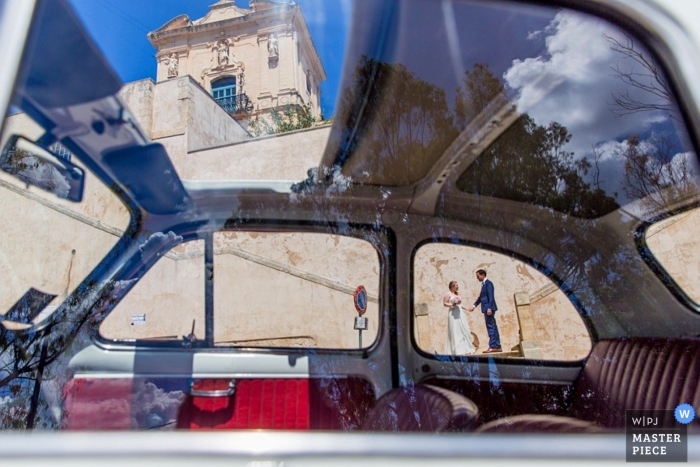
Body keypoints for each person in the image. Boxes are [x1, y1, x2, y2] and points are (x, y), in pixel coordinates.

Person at [467, 269, 501, 353]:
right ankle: (497, 345)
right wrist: (474, 305)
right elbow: (481, 298)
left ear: (483, 275)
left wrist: (489, 308)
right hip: (486, 308)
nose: (477, 278)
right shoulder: (483, 285)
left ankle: (493, 346)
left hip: (488, 308)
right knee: (493, 326)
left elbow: (491, 296)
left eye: (478, 276)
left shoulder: (488, 284)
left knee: (491, 327)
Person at [443, 281, 475, 355]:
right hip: (453, 312)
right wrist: (452, 304)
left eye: (457, 285)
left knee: (462, 328)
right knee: (454, 329)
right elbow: (444, 303)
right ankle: (456, 350)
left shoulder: (456, 294)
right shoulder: (448, 294)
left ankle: (464, 348)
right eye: (456, 285)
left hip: (459, 312)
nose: (457, 287)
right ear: (452, 286)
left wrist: (467, 308)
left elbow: (460, 304)